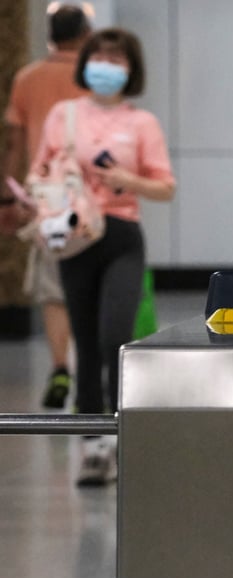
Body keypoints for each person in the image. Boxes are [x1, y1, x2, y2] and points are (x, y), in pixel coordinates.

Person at [30, 28, 175, 486]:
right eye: (99, 58)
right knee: (87, 342)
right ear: (85, 63)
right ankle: (93, 446)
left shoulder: (141, 123)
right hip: (75, 236)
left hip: (121, 234)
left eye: (116, 60)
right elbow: (38, 170)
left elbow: (165, 187)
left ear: (130, 69)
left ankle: (118, 435)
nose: (106, 68)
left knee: (116, 333)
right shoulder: (63, 115)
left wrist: (126, 178)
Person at [1, 4, 91, 409]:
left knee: (55, 291)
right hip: (94, 197)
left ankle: (60, 367)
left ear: (51, 35)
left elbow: (16, 146)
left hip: (48, 197)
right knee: (93, 284)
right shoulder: (94, 79)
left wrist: (8, 196)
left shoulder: (27, 78)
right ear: (85, 35)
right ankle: (90, 369)